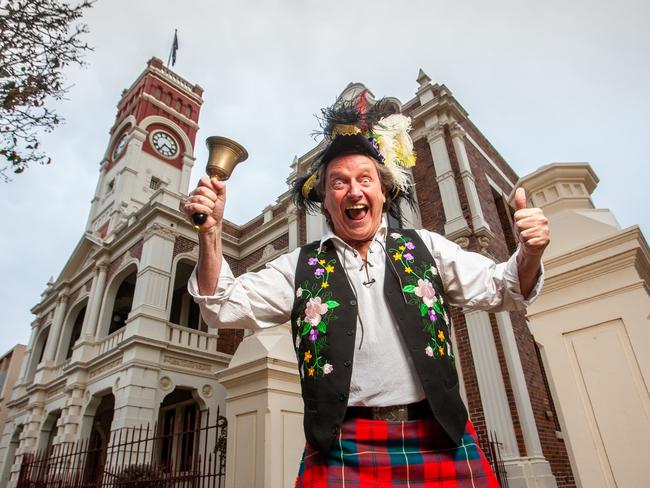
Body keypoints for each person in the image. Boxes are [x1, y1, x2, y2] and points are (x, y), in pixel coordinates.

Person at [183, 93, 549, 487]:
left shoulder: (426, 247)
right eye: (339, 183)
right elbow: (220, 306)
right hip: (342, 445)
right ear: (324, 199)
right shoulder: (298, 267)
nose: (353, 191)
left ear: (383, 191)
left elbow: (504, 286)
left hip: (437, 437)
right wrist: (211, 233)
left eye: (364, 179)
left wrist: (528, 252)